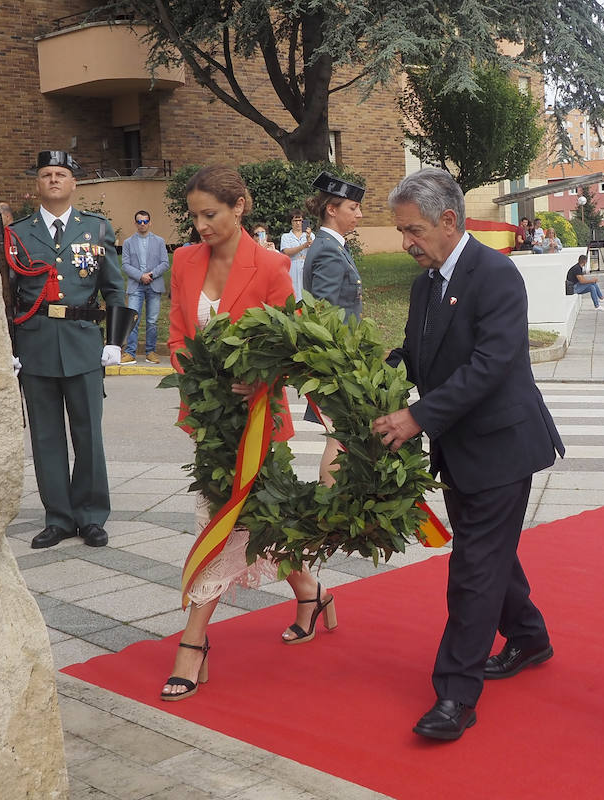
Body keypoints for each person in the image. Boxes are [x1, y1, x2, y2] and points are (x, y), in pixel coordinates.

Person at [373, 168, 564, 742]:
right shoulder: (426, 281)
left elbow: (492, 364)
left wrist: (416, 417)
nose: (407, 243)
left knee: (473, 569)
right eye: (403, 231)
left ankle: (455, 695)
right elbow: (416, 351)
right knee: (489, 554)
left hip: (501, 445)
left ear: (449, 221)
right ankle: (529, 638)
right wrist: (364, 380)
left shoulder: (496, 274)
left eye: (413, 231)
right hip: (457, 446)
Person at [160, 165, 340, 701]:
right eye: (193, 216)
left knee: (226, 522)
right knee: (262, 519)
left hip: (258, 422)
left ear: (240, 206)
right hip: (207, 422)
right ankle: (312, 592)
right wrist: (196, 382)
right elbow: (176, 332)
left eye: (209, 214)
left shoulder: (270, 265)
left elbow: (291, 341)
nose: (199, 226)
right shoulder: (183, 261)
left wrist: (260, 376)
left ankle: (193, 644)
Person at [9, 151, 125, 549]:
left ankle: (92, 516)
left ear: (74, 183)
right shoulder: (19, 234)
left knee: (88, 434)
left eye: (61, 174)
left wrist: (114, 341)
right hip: (36, 344)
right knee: (45, 437)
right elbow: (7, 296)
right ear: (37, 185)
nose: (54, 180)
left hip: (82, 341)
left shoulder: (95, 228)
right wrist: (8, 347)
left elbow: (115, 288)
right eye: (47, 174)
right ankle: (58, 517)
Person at [302, 172, 366, 488]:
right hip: (335, 362)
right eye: (353, 207)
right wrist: (340, 364)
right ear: (332, 209)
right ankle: (331, 507)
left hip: (339, 359)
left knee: (339, 436)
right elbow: (326, 314)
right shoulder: (328, 249)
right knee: (337, 438)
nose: (359, 214)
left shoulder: (334, 246)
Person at [120, 210, 169, 364]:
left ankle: (151, 351)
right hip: (136, 285)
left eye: (145, 221)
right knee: (133, 319)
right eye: (139, 221)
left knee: (152, 320)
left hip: (154, 284)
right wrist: (140, 276)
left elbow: (165, 263)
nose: (142, 224)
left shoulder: (159, 241)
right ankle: (130, 352)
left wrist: (151, 275)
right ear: (135, 223)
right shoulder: (128, 242)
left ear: (150, 222)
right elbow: (125, 265)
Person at [278, 209, 314, 300]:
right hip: (292, 268)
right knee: (294, 293)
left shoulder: (311, 235)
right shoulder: (286, 236)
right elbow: (286, 252)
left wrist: (308, 237)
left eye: (300, 221)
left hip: (307, 267)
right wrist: (303, 246)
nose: (298, 223)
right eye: (295, 220)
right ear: (291, 222)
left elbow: (315, 250)